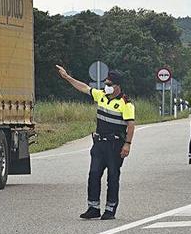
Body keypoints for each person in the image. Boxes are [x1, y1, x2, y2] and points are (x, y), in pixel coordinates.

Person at [56, 65, 135, 220]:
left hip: (115, 145)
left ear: (117, 86)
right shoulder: (101, 96)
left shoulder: (126, 104)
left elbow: (131, 125)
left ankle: (110, 209)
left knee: (112, 176)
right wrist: (67, 77)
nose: (106, 87)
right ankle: (93, 207)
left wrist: (127, 144)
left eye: (109, 85)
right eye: (105, 84)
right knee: (93, 174)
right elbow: (83, 87)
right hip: (99, 144)